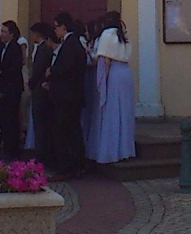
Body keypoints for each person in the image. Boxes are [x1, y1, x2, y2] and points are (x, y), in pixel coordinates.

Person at [85, 11, 136, 164]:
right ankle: (125, 149)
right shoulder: (124, 34)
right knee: (124, 112)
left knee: (112, 111)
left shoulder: (107, 34)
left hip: (114, 73)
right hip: (126, 72)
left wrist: (103, 81)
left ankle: (111, 150)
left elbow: (105, 61)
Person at [45, 10, 87, 179]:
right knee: (73, 131)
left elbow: (68, 68)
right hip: (72, 96)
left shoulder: (70, 45)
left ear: (63, 27)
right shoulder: (74, 43)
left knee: (62, 132)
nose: (54, 30)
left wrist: (52, 71)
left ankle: (65, 168)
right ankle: (77, 165)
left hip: (66, 96)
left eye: (56, 27)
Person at [25, 21, 55, 167]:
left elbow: (38, 70)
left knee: (40, 124)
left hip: (40, 90)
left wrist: (31, 83)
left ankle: (41, 155)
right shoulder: (45, 48)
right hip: (42, 89)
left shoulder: (43, 49)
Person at [0, 21, 24, 160]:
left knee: (11, 119)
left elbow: (15, 67)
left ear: (11, 34)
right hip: (5, 87)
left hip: (12, 87)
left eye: (4, 32)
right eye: (1, 31)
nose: (2, 34)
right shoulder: (3, 47)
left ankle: (12, 149)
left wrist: (2, 74)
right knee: (6, 118)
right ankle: (8, 147)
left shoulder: (15, 48)